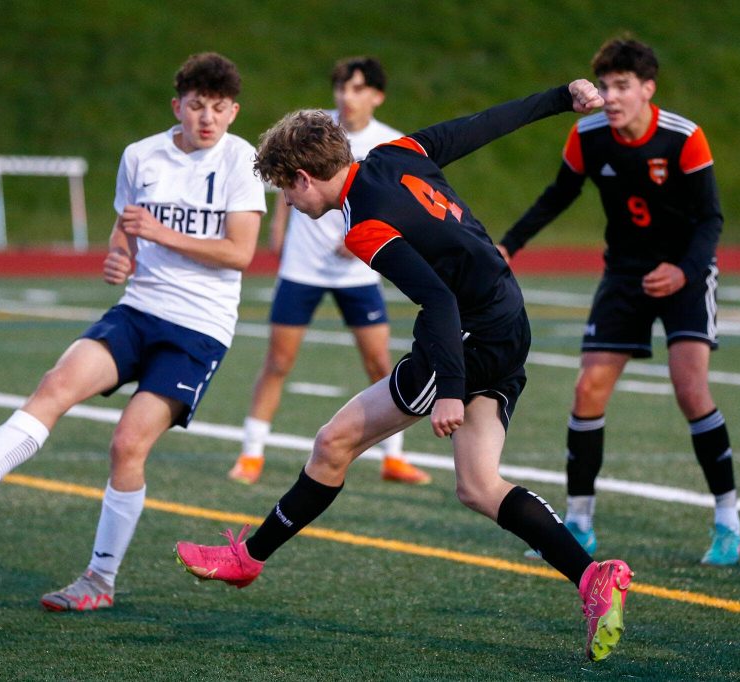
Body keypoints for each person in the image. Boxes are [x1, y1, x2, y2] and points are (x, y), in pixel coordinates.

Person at [175, 79, 635, 663]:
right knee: (477, 484)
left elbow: (438, 300)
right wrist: (558, 98)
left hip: (464, 335)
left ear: (302, 178)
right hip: (508, 321)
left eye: (285, 194)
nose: (287, 206)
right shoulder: (397, 154)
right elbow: (483, 123)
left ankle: (249, 558)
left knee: (333, 443)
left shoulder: (362, 224)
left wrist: (448, 389)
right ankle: (594, 576)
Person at [0, 52, 266, 612]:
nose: (208, 119)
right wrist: (119, 255)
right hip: (139, 308)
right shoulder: (141, 156)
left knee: (127, 445)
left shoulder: (241, 160)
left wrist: (157, 234)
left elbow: (240, 252)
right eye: (197, 106)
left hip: (198, 329)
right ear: (177, 106)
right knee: (55, 384)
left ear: (233, 111)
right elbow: (126, 225)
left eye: (219, 109)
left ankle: (99, 582)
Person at [495, 38, 740, 566]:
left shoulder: (684, 139)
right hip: (625, 274)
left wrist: (683, 271)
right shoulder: (587, 135)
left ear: (648, 89)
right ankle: (579, 522)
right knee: (588, 388)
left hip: (686, 271)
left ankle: (727, 519)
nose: (610, 96)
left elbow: (711, 220)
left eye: (622, 86)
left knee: (690, 387)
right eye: (604, 85)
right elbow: (557, 195)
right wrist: (508, 245)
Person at [229, 56, 430, 486]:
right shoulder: (316, 132)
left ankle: (393, 458)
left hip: (359, 271)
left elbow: (403, 204)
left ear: (377, 96)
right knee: (278, 361)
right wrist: (278, 228)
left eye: (357, 88)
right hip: (302, 268)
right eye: (341, 87)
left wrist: (364, 234)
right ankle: (251, 453)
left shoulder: (388, 143)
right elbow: (286, 181)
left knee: (379, 361)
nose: (346, 96)